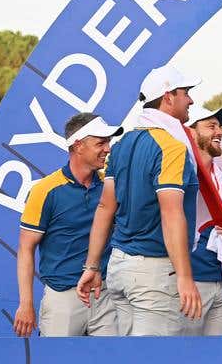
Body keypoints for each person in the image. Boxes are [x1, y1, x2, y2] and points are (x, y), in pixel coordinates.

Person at [77, 65, 203, 336]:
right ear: (168, 97)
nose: (190, 100)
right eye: (186, 93)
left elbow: (105, 207)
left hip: (121, 267)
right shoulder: (171, 147)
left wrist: (92, 265)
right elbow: (171, 214)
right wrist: (184, 276)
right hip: (154, 272)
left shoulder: (122, 145)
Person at [15, 114, 122, 337]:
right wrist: (26, 304)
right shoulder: (45, 190)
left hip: (105, 296)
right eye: (100, 143)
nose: (108, 149)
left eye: (108, 142)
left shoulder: (110, 186)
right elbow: (26, 248)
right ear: (78, 146)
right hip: (62, 299)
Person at [183, 105, 222, 335]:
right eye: (211, 126)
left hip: (221, 278)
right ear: (191, 132)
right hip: (190, 280)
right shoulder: (180, 174)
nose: (219, 132)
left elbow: (221, 225)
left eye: (219, 126)